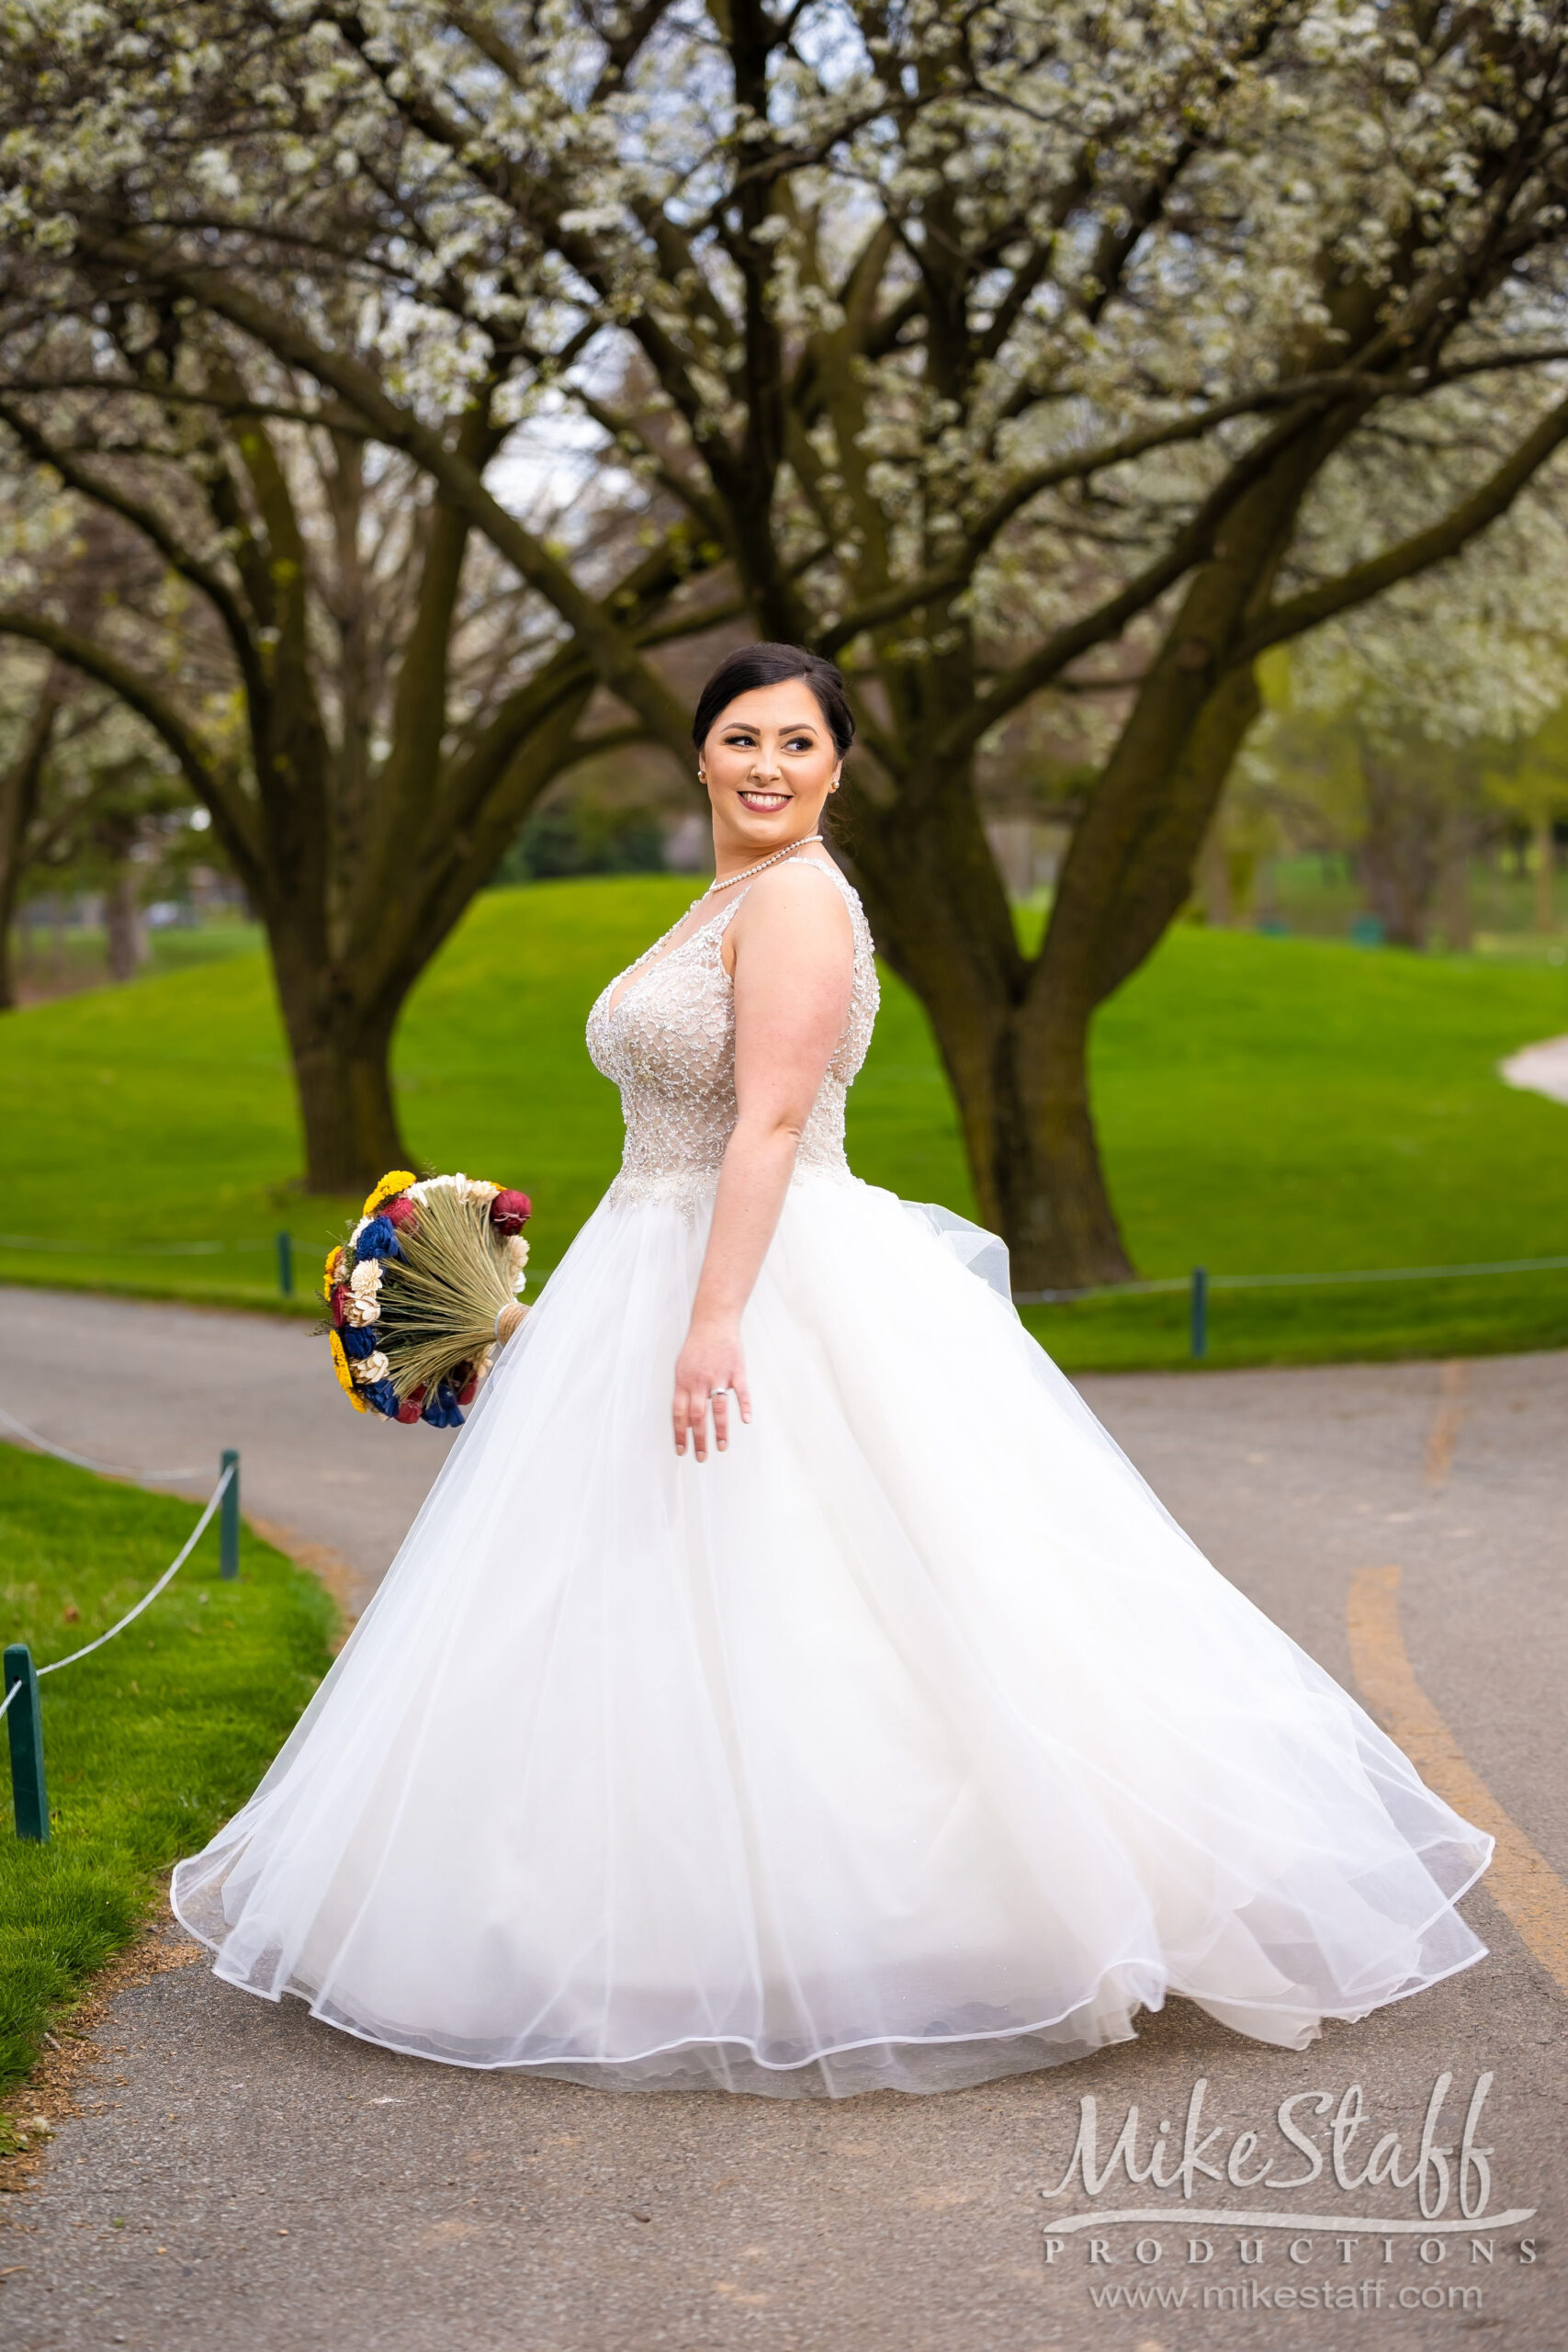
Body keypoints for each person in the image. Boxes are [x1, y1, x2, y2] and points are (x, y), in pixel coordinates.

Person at [173, 643, 1491, 2098]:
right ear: (698, 754)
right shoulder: (726, 897)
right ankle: (633, 1916)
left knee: (809, 1581)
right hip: (655, 1242)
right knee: (628, 1584)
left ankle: (899, 1921)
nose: (768, 766)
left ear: (838, 767)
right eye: (741, 738)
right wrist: (563, 1308)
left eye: (799, 744)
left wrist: (716, 1318)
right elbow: (680, 1126)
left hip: (766, 1267)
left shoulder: (799, 899)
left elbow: (775, 1124)